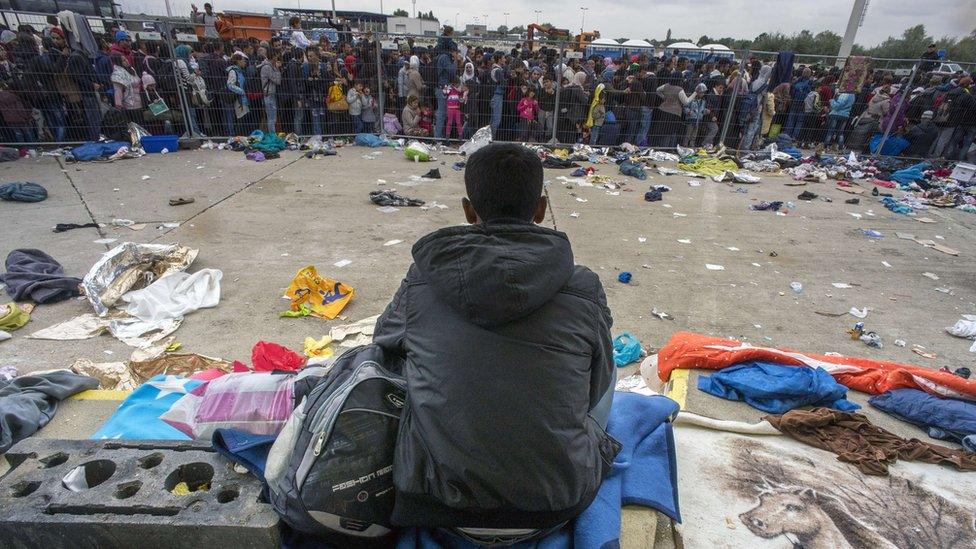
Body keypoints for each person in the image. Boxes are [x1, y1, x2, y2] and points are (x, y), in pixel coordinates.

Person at [373, 142, 617, 541]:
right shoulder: (583, 286)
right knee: (605, 368)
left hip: (437, 503)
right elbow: (596, 385)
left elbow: (382, 349)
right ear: (539, 209)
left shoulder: (422, 279)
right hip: (556, 502)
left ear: (469, 210)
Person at [110, 53, 143, 124]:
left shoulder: (131, 69)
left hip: (140, 102)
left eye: (126, 59)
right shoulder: (117, 74)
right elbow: (118, 91)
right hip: (130, 104)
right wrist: (119, 105)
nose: (127, 61)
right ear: (119, 62)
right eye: (123, 60)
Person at [434, 47, 459, 140]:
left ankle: (441, 137)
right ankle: (438, 138)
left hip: (444, 89)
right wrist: (456, 60)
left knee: (444, 114)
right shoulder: (445, 57)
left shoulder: (444, 57)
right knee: (441, 114)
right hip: (442, 89)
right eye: (456, 52)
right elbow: (452, 71)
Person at [226, 52, 249, 132]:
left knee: (243, 119)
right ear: (238, 61)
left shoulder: (240, 71)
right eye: (243, 60)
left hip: (243, 98)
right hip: (238, 99)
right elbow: (230, 84)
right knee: (240, 119)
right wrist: (241, 91)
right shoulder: (233, 71)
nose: (245, 62)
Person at [259, 52, 281, 134]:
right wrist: (277, 69)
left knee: (272, 117)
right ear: (274, 57)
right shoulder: (267, 67)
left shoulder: (270, 67)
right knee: (271, 118)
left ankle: (272, 134)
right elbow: (277, 81)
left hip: (271, 94)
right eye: (276, 57)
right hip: (268, 94)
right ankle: (272, 135)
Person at [701, 78, 725, 150]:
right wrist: (712, 116)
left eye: (722, 88)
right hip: (709, 117)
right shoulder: (711, 95)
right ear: (716, 86)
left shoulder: (717, 95)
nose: (721, 89)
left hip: (712, 116)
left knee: (711, 130)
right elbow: (709, 106)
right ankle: (704, 143)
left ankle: (708, 145)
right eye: (720, 88)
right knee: (715, 129)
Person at [682, 83, 708, 147]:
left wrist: (705, 111)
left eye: (703, 93)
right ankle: (685, 146)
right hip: (691, 119)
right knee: (688, 134)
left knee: (694, 135)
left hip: (698, 119)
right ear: (697, 92)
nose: (702, 94)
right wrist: (688, 111)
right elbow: (685, 107)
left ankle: (691, 146)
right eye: (701, 92)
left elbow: (702, 109)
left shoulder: (703, 101)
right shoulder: (692, 99)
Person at [489, 52, 507, 138]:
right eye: (503, 58)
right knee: (496, 119)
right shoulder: (498, 70)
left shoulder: (495, 69)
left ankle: (489, 138)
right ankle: (491, 138)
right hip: (497, 95)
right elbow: (503, 84)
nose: (505, 60)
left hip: (495, 95)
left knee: (493, 119)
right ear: (499, 59)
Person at [537, 75, 556, 141]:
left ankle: (547, 140)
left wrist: (551, 94)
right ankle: (540, 140)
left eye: (547, 81)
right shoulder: (541, 90)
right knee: (540, 126)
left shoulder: (555, 91)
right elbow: (540, 101)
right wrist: (547, 93)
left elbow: (554, 102)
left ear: (551, 82)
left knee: (550, 127)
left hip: (550, 111)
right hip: (542, 110)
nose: (545, 83)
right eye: (544, 82)